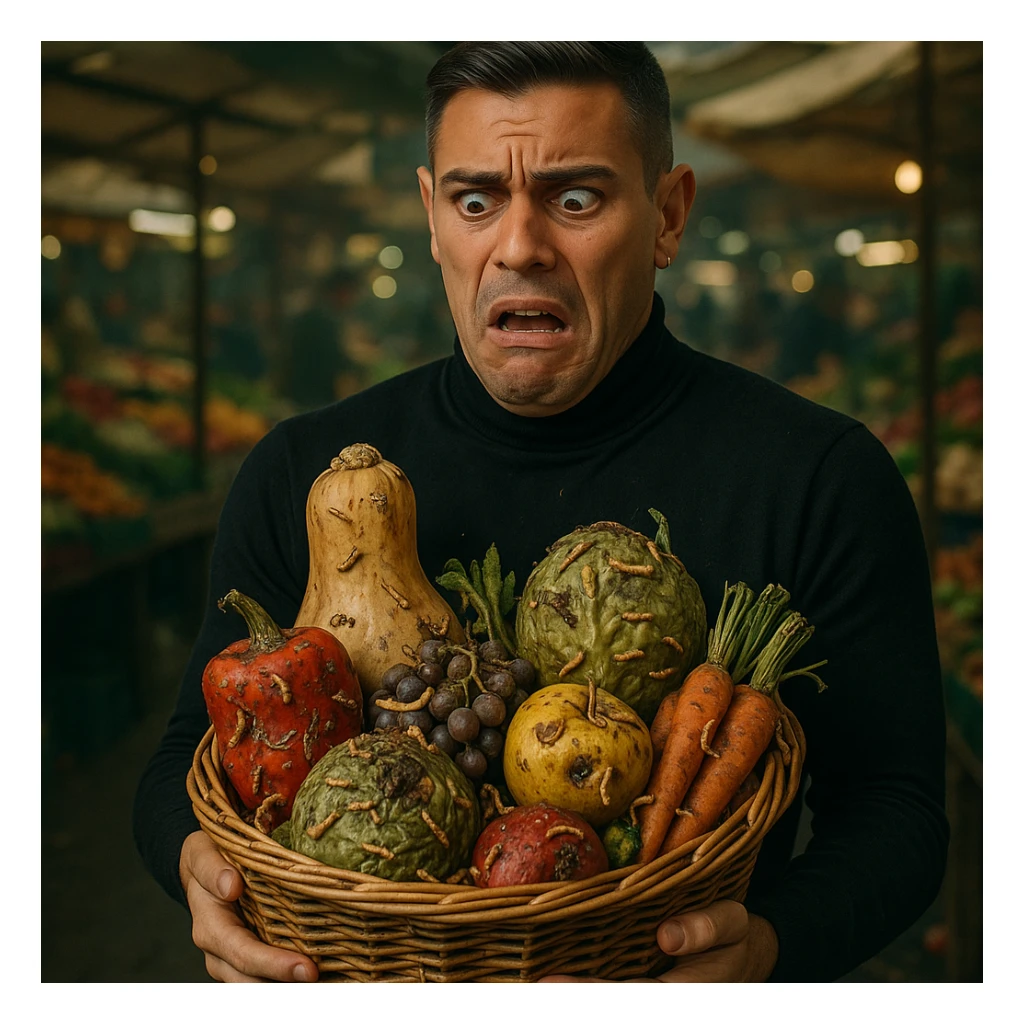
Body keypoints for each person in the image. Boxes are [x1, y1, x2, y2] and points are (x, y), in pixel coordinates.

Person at [133, 42, 948, 984]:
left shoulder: (820, 477)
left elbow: (897, 810)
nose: (518, 245)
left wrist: (770, 950)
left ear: (669, 215)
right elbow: (180, 765)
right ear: (433, 218)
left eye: (575, 198)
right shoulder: (300, 476)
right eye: (476, 200)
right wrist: (191, 865)